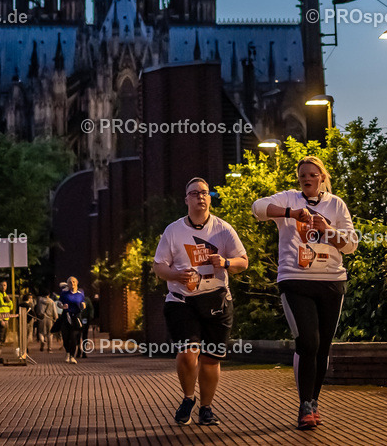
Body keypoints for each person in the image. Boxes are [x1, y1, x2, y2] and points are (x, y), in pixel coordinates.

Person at [251, 156, 358, 430]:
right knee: (307, 342)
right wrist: (291, 213)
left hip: (331, 282)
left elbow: (351, 245)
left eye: (312, 175)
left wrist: (328, 230)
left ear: (321, 177)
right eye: (302, 176)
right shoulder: (289, 199)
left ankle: (313, 403)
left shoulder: (336, 204)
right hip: (295, 280)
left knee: (322, 347)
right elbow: (257, 208)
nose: (307, 179)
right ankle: (304, 404)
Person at [153, 176, 248, 427]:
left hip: (216, 300)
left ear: (209, 198)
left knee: (211, 358)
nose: (201, 197)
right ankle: (188, 398)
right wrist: (176, 275)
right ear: (186, 200)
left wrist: (226, 263)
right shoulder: (173, 231)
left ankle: (206, 408)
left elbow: (243, 262)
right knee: (187, 353)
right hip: (181, 300)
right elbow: (158, 266)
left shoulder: (223, 229)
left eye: (205, 193)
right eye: (195, 193)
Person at [57, 276, 86, 364]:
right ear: (68, 284)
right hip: (66, 317)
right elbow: (59, 303)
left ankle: (72, 356)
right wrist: (62, 306)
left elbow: (83, 303)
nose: (72, 284)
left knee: (73, 337)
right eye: (70, 282)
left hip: (75, 318)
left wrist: (83, 306)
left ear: (76, 283)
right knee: (66, 338)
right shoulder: (64, 293)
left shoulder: (80, 294)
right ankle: (68, 353)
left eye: (74, 282)